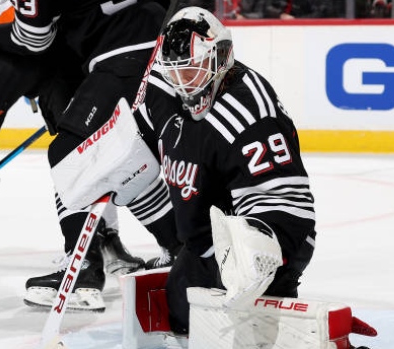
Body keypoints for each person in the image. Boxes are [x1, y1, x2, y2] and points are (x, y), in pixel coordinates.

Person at [0, 0, 180, 312]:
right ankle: (160, 246)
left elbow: (31, 38)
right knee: (109, 155)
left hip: (119, 49)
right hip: (139, 48)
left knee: (69, 154)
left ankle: (81, 269)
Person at [132, 7, 317, 334]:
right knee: (179, 315)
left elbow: (290, 209)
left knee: (241, 334)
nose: (184, 84)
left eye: (192, 71)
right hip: (202, 250)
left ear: (221, 56)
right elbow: (140, 131)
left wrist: (251, 257)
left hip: (253, 259)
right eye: (175, 73)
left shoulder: (250, 115)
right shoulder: (166, 92)